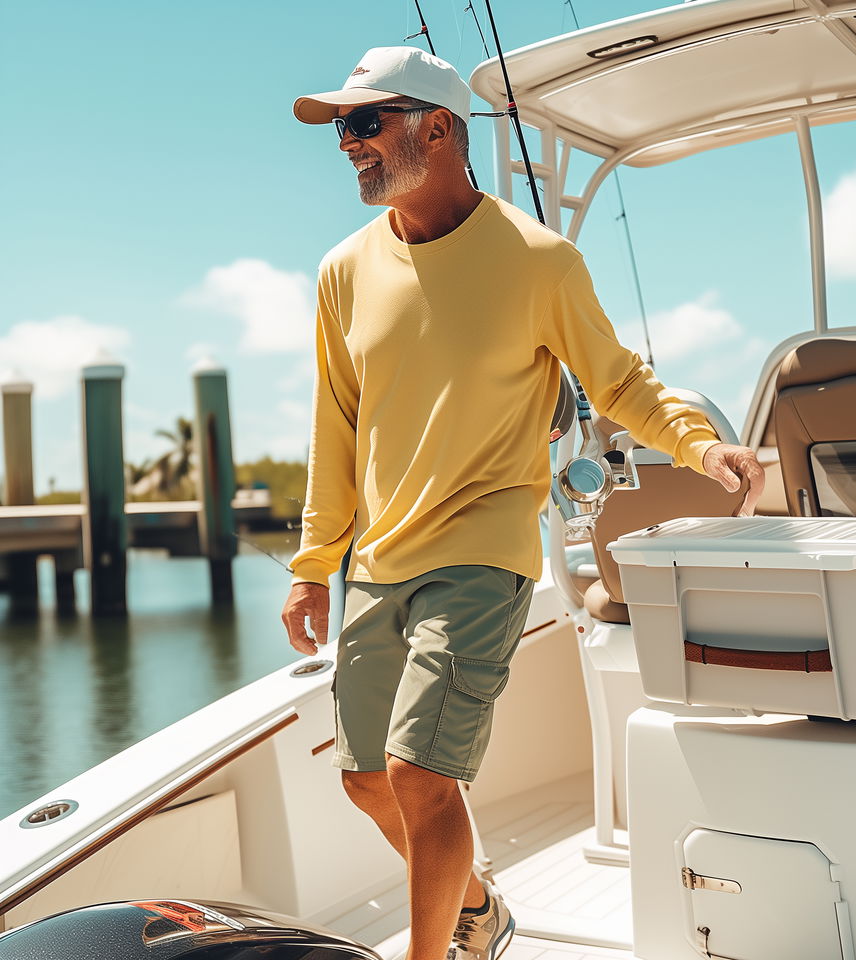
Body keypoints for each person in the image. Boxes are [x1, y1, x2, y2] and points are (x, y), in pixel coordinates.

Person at [280, 46, 764, 960]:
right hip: (378, 562)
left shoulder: (540, 261)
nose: (347, 145)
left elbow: (619, 383)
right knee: (366, 781)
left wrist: (702, 443)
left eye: (363, 122)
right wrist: (313, 570)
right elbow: (333, 429)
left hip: (482, 550)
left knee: (420, 774)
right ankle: (481, 909)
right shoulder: (341, 271)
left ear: (437, 126)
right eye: (341, 128)